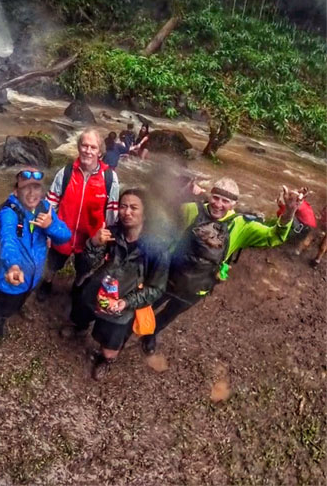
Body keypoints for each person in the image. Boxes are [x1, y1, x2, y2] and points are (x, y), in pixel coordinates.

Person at [141, 179, 304, 355]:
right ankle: (120, 335)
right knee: (144, 304)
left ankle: (151, 333)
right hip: (168, 276)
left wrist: (289, 211)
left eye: (225, 201)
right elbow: (162, 215)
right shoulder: (192, 209)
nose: (218, 204)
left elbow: (274, 237)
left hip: (199, 286)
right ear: (209, 196)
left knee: (170, 313)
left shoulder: (242, 225)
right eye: (216, 198)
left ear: (234, 204)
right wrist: (182, 192)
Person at [68, 189, 169, 380]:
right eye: (123, 206)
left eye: (133, 207)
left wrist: (126, 302)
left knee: (110, 347)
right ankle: (79, 329)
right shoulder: (112, 232)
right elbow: (85, 265)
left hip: (123, 305)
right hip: (96, 292)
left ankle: (105, 361)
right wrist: (94, 244)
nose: (127, 212)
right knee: (81, 314)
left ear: (145, 213)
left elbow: (156, 289)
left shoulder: (157, 250)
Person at [0, 166, 71, 354]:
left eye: (37, 188)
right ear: (16, 191)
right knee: (2, 308)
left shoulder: (45, 209)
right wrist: (13, 265)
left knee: (24, 296)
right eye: (26, 188)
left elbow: (65, 236)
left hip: (34, 274)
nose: (32, 193)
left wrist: (50, 227)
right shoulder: (9, 213)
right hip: (13, 275)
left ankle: (19, 307)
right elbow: (7, 240)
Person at [37, 128, 119, 302]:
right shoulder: (65, 173)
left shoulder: (109, 178)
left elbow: (112, 212)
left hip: (91, 238)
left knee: (84, 269)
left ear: (100, 151)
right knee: (53, 264)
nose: (88, 151)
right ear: (79, 147)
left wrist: (109, 241)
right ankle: (47, 283)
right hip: (63, 232)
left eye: (93, 147)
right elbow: (51, 203)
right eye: (84, 145)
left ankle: (77, 286)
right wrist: (49, 231)